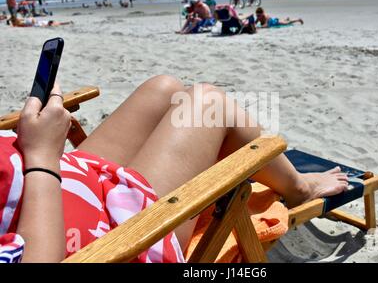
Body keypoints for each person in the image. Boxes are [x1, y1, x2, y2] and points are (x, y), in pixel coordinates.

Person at [0, 76, 348, 262]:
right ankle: (300, 188)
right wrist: (43, 155)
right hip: (106, 233)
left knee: (163, 88)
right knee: (208, 103)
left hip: (58, 180)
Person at [9, 15, 73, 27]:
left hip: (37, 23)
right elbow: (29, 24)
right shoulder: (19, 24)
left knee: (54, 23)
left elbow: (24, 21)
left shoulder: (19, 21)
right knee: (54, 23)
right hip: (36, 24)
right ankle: (67, 23)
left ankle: (67, 23)